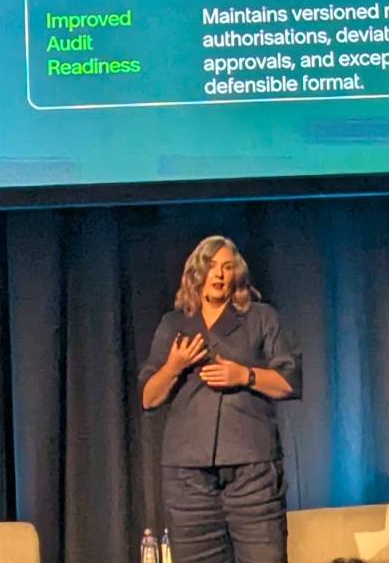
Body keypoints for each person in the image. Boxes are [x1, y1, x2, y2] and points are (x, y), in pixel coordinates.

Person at [140, 235, 302, 563]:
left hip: (252, 473)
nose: (219, 274)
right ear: (196, 273)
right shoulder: (174, 325)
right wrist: (174, 366)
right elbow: (148, 398)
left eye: (227, 267)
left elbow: (289, 381)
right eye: (212, 266)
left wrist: (245, 375)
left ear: (236, 274)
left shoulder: (261, 318)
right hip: (189, 479)